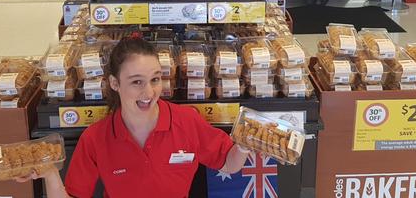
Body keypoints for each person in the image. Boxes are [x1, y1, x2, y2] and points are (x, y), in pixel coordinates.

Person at [18, 37, 250, 197]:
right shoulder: (96, 138)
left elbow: (229, 163)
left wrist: (246, 144)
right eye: (136, 82)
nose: (148, 93)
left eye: (155, 79)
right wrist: (49, 173)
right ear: (115, 83)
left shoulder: (186, 121)